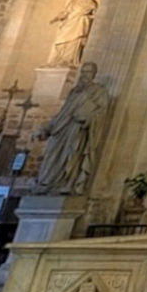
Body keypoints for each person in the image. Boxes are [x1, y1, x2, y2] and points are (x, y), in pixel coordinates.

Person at [33, 62, 112, 195]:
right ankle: (47, 184)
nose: (84, 75)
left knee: (71, 157)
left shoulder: (98, 92)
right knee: (51, 156)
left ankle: (66, 183)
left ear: (94, 74)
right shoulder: (74, 92)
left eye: (88, 72)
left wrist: (87, 118)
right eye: (83, 71)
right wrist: (46, 129)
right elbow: (63, 112)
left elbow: (101, 112)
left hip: (77, 130)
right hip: (61, 129)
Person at [47, 0, 98, 67]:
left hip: (78, 24)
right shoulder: (73, 1)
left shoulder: (89, 1)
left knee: (73, 42)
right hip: (69, 23)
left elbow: (95, 12)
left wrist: (89, 17)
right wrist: (55, 19)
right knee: (60, 41)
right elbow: (66, 12)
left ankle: (68, 60)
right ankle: (59, 59)